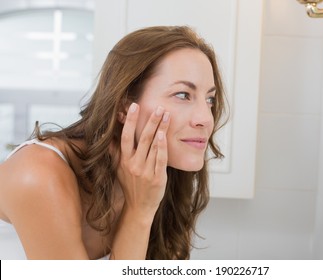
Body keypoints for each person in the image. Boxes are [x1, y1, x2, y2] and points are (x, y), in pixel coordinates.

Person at [0, 26, 227, 260]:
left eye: (210, 99)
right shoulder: (38, 174)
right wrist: (139, 212)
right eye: (182, 95)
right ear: (124, 105)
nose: (205, 119)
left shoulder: (155, 177)